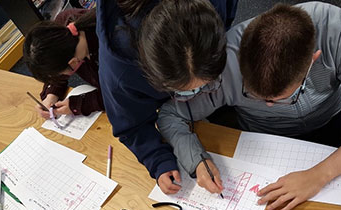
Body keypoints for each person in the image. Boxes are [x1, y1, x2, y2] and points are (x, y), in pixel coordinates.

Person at [153, 2, 341, 210]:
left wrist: (319, 176)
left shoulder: (336, 29)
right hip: (263, 139)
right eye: (256, 96)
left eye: (278, 99)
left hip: (334, 121)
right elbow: (170, 114)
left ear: (312, 61)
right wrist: (196, 160)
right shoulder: (223, 63)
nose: (269, 105)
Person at [96, 0, 238, 194]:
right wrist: (157, 159)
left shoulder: (216, 9)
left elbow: (227, 15)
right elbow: (130, 124)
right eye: (186, 89)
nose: (198, 94)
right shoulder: (120, 68)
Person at [24, 8, 104, 119]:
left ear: (73, 62)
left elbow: (124, 93)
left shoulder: (109, 46)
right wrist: (51, 96)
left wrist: (77, 105)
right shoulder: (61, 32)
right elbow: (58, 64)